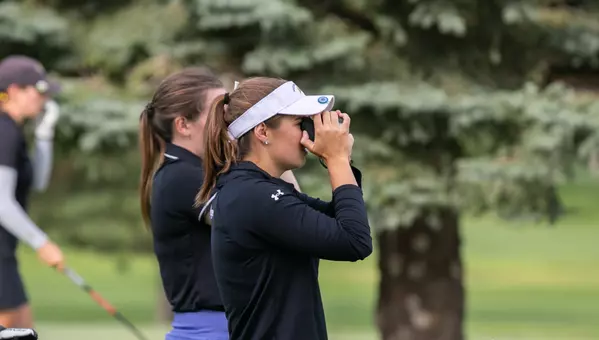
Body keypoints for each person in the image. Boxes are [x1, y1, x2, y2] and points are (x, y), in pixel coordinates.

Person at [197, 77, 373, 340]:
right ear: (263, 131)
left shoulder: (257, 191)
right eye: (297, 122)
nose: (306, 133)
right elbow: (354, 241)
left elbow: (342, 221)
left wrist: (340, 160)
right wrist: (336, 160)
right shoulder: (253, 197)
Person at [138, 68, 303, 340]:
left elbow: (289, 212)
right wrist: (269, 146)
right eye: (218, 112)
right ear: (183, 125)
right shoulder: (180, 177)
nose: (227, 121)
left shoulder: (202, 171)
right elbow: (285, 220)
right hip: (210, 331)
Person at [0, 55, 65, 328]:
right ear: (14, 91)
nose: (45, 99)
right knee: (17, 327)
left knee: (22, 329)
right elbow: (1, 202)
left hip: (5, 250)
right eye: (39, 92)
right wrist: (42, 243)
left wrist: (44, 133)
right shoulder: (3, 130)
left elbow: (37, 182)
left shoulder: (13, 130)